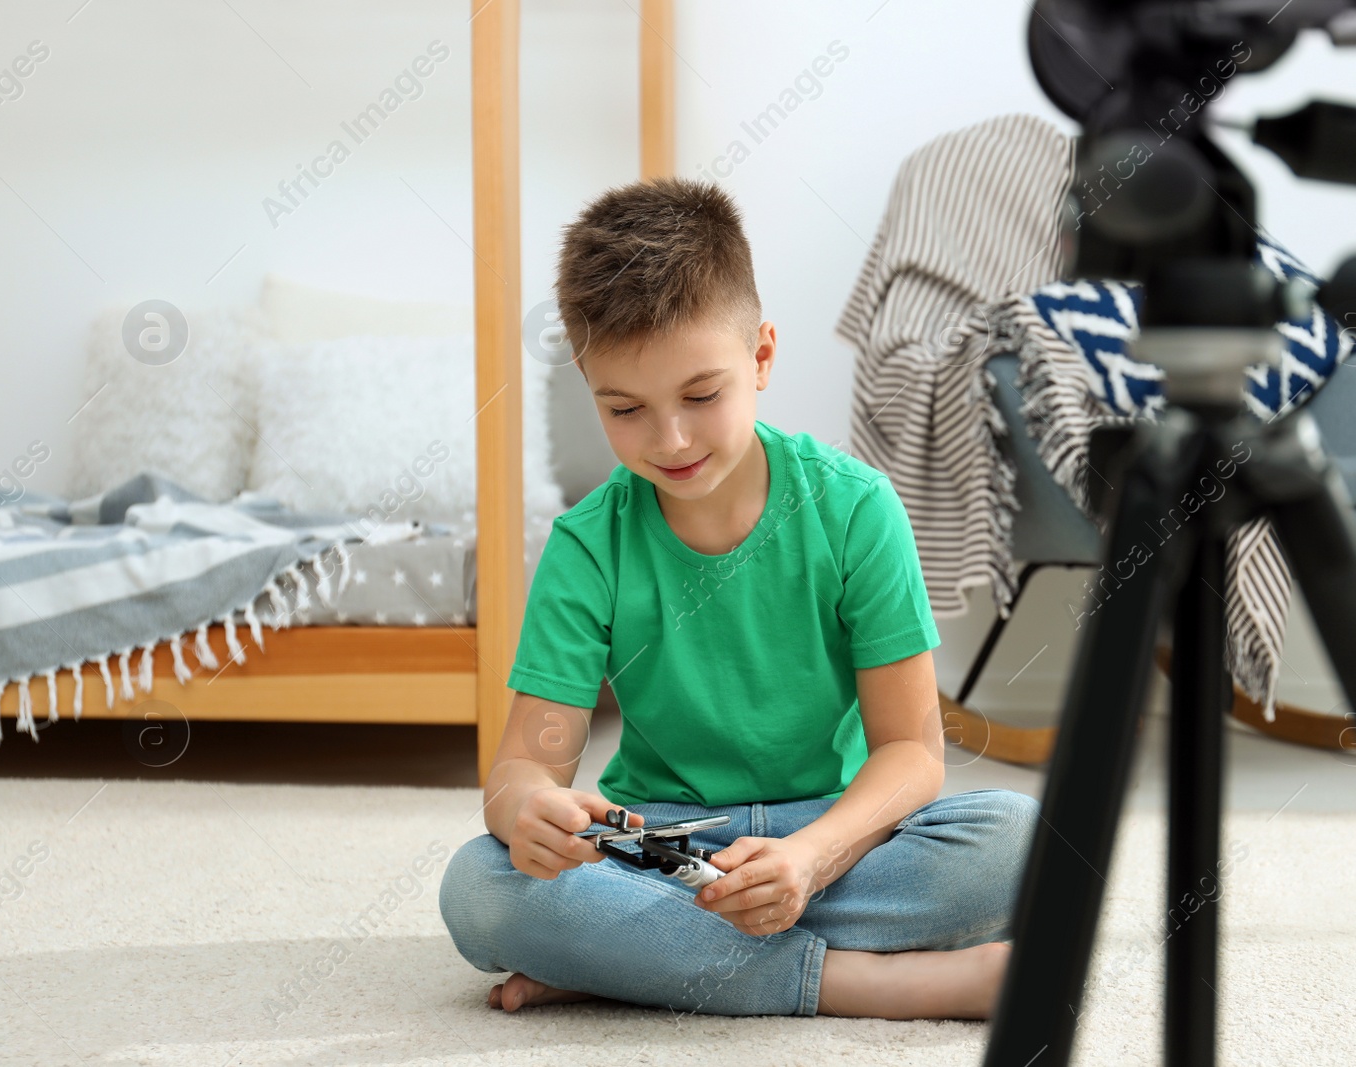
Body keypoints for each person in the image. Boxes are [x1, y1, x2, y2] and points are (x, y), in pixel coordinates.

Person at [437, 176, 1039, 1020]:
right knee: (479, 887)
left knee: (1023, 837)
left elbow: (913, 753)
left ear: (760, 356)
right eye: (625, 408)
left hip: (823, 832)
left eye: (701, 395)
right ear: (589, 385)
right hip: (650, 841)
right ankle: (857, 982)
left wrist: (811, 859)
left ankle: (635, 961)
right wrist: (528, 805)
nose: (671, 438)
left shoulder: (855, 508)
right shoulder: (586, 546)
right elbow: (523, 767)